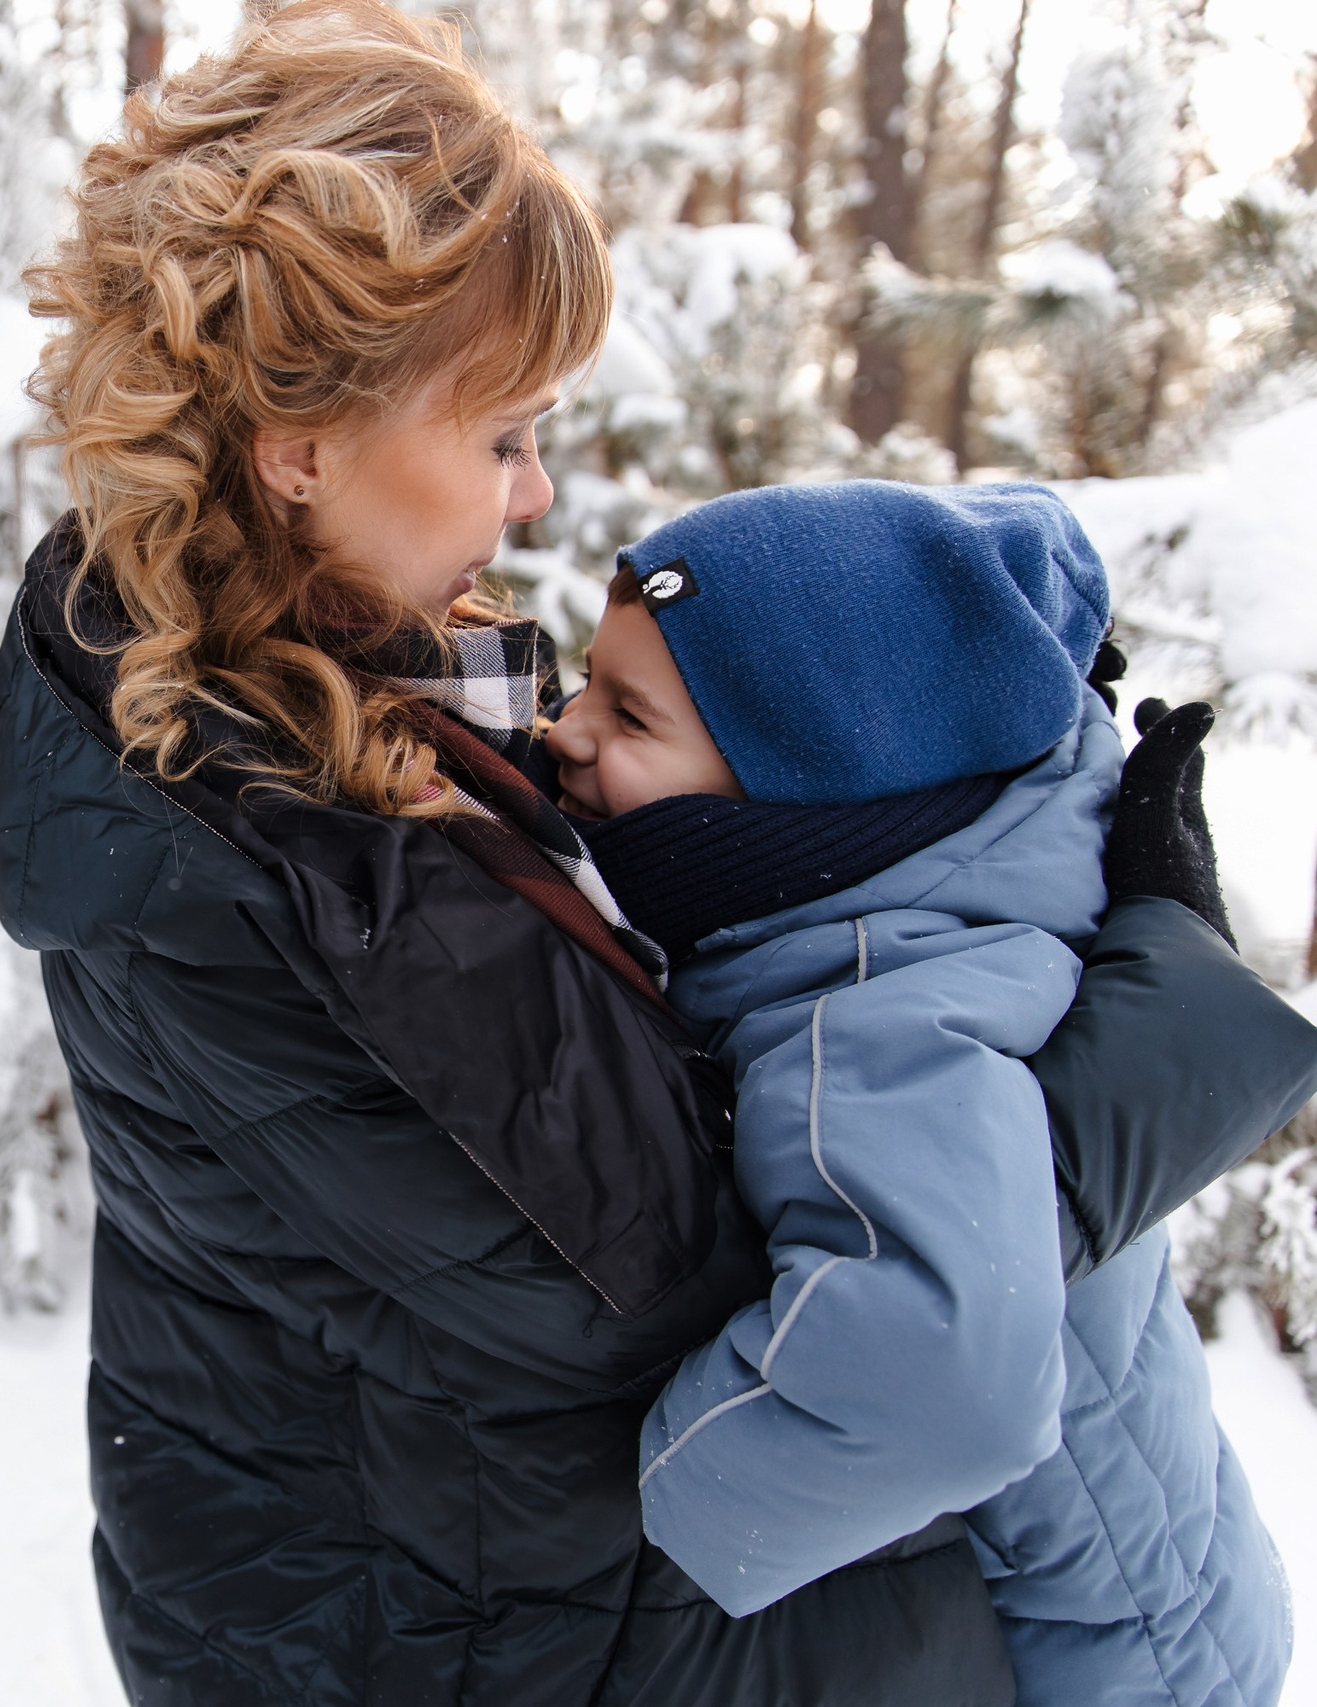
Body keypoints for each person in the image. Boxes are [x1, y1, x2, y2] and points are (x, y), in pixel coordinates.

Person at [0, 3, 1317, 1700]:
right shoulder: (265, 858)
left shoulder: (320, 701)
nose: (535, 496)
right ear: (303, 446)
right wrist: (1148, 1038)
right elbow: (742, 1294)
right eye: (503, 436)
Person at [546, 480, 1297, 1706]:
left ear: (811, 787)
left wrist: (659, 1499)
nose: (564, 732)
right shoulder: (931, 895)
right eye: (588, 681)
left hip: (1091, 1658)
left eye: (628, 714)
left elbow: (944, 1393)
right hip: (1144, 1598)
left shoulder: (875, 1016)